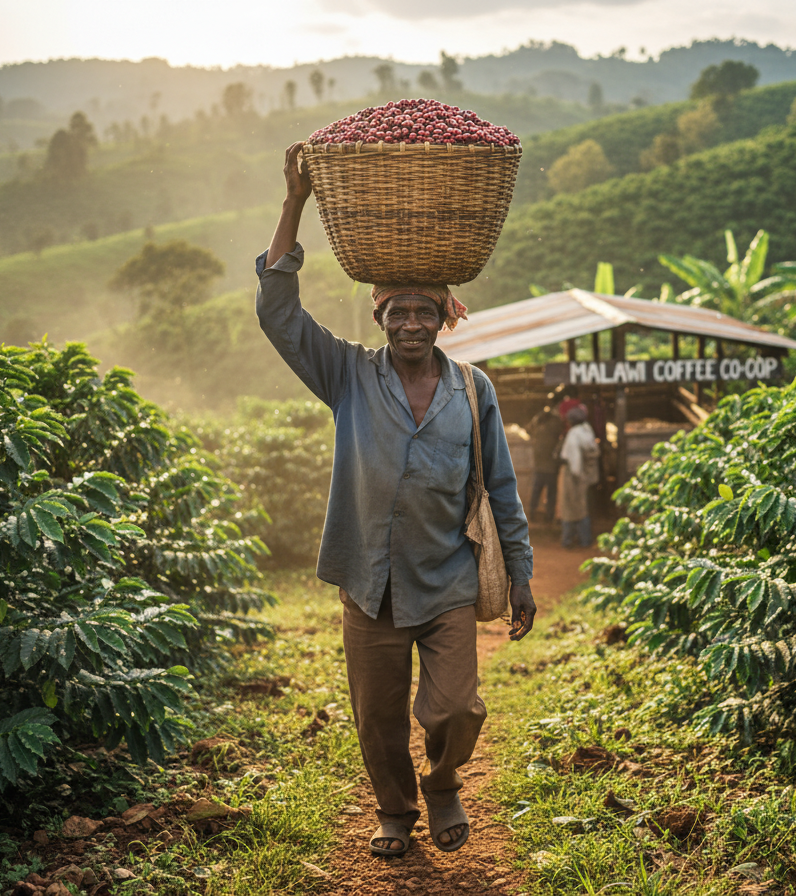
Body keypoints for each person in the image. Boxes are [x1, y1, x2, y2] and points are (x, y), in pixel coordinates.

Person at [254, 142, 536, 859]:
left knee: (457, 708)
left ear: (444, 317)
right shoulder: (348, 376)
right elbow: (278, 312)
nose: (410, 324)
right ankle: (396, 807)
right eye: (397, 312)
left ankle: (443, 782)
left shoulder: (473, 390)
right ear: (379, 317)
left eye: (423, 312)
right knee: (377, 717)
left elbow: (499, 485)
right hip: (368, 584)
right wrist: (296, 201)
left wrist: (524, 574)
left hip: (445, 581)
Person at [557, 404, 599, 548]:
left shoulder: (574, 434)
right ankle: (585, 539)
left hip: (574, 475)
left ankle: (568, 540)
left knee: (569, 508)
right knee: (582, 507)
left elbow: (574, 458)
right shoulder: (587, 430)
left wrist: (576, 475)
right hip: (586, 475)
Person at [525, 404, 563, 523]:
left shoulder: (537, 428)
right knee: (551, 494)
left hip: (539, 466)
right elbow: (562, 429)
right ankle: (549, 516)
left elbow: (527, 429)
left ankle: (532, 514)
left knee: (536, 492)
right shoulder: (554, 427)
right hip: (551, 467)